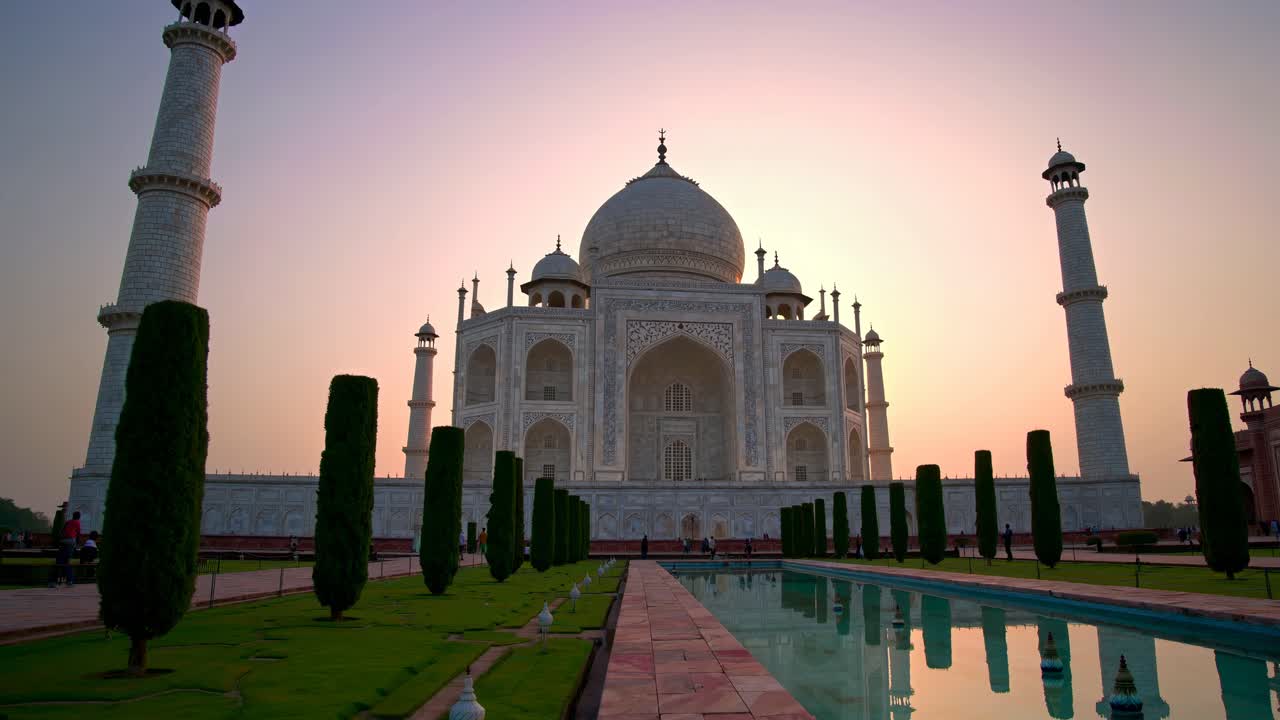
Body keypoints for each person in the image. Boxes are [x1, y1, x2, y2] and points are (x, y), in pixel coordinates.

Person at [50, 511, 81, 587]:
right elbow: (78, 534)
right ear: (79, 517)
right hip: (70, 542)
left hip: (62, 541)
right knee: (67, 562)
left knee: (59, 561)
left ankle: (53, 581)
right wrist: (77, 545)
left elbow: (62, 531)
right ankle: (69, 581)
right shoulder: (77, 522)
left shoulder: (68, 522)